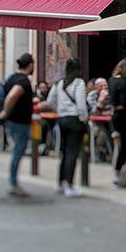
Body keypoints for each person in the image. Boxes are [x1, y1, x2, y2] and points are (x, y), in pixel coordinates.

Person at [46, 58, 88, 197]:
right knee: (72, 153)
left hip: (62, 119)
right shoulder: (79, 83)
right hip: (75, 120)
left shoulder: (59, 83)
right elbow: (81, 105)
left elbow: (50, 101)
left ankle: (60, 183)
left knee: (64, 153)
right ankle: (69, 185)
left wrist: (59, 109)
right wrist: (84, 119)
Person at [0, 52, 36, 197]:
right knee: (17, 152)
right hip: (19, 122)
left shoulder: (11, 78)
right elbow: (12, 95)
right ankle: (12, 183)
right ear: (30, 65)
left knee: (17, 151)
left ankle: (13, 182)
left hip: (13, 121)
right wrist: (6, 111)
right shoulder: (23, 81)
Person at [110, 58, 126, 186]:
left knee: (123, 146)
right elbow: (122, 104)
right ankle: (119, 172)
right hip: (124, 118)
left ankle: (120, 173)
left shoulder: (112, 80)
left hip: (116, 117)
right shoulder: (123, 84)